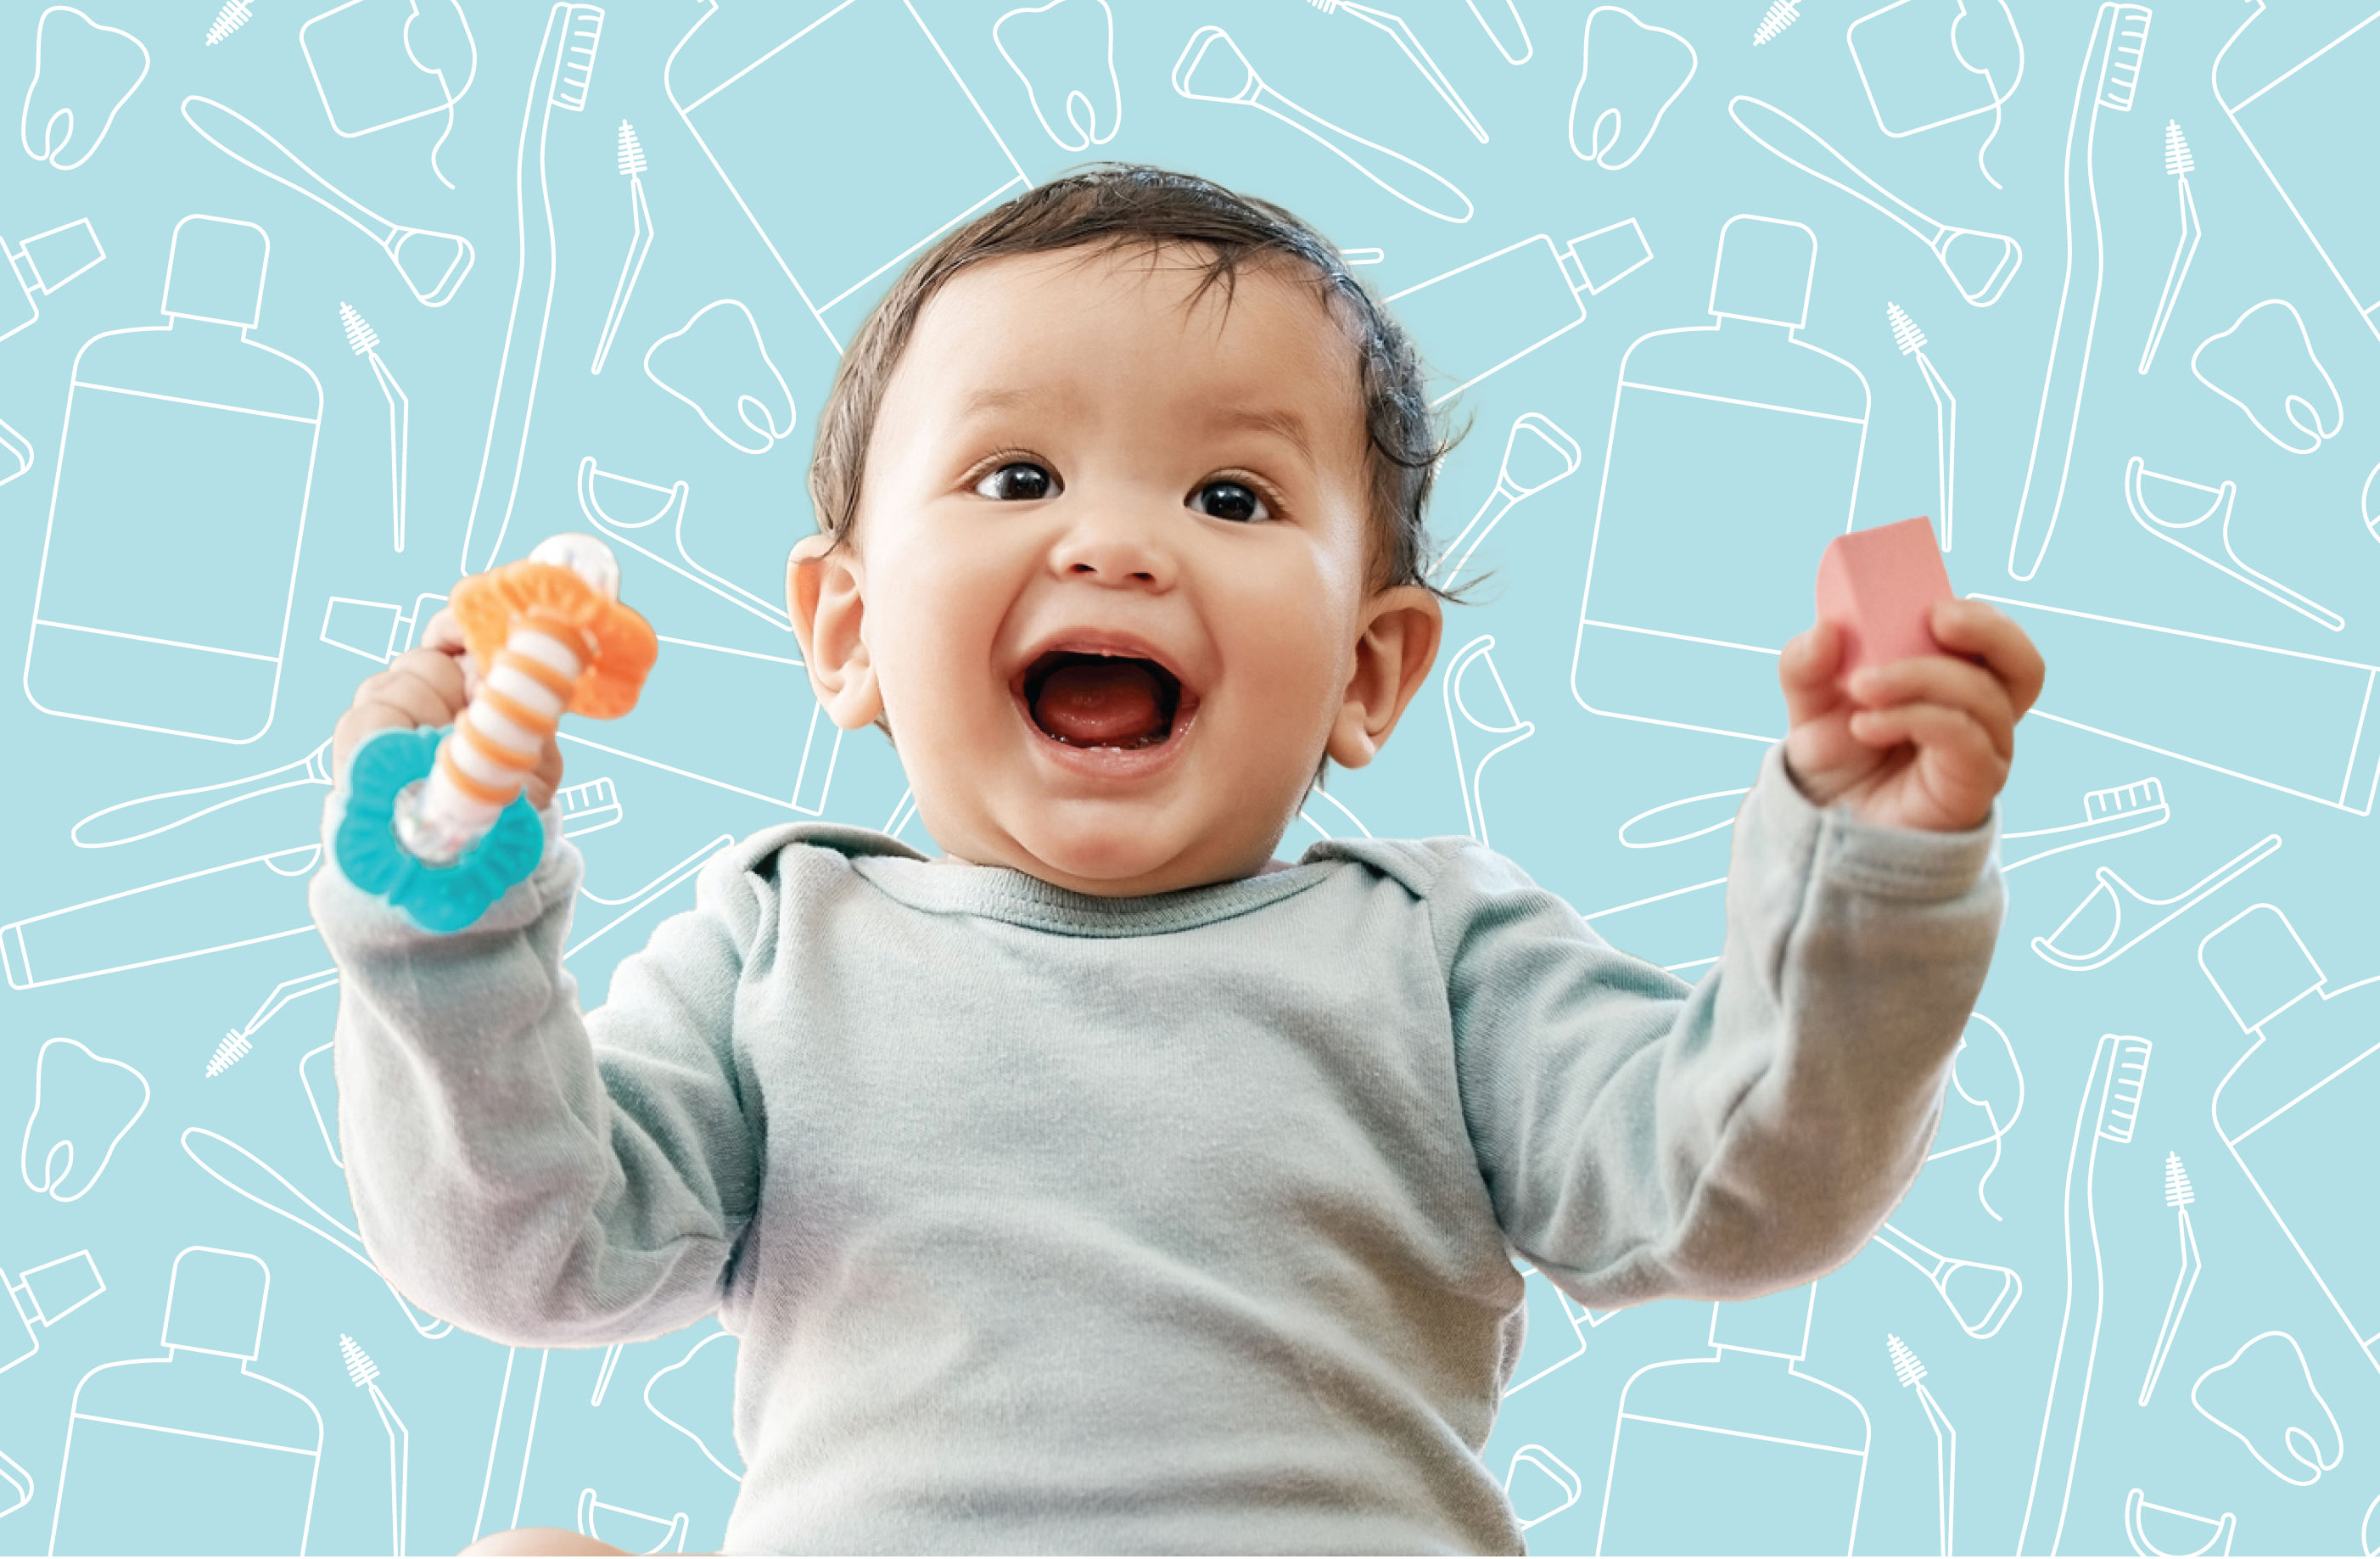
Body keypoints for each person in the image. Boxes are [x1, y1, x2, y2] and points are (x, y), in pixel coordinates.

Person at [317, 166, 2042, 1555]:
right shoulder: (780, 945)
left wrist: (1874, 874)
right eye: (1014, 472)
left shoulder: (1439, 961)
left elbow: (1741, 1184)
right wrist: (445, 935)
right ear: (845, 633)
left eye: (1232, 500)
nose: (1119, 543)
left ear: (1370, 669)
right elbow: (525, 1254)